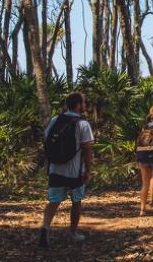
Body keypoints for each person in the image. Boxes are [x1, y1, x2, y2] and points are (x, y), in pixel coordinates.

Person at [38, 92, 94, 248]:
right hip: (74, 171)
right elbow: (87, 150)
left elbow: (47, 142)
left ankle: (45, 228)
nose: (84, 105)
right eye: (83, 103)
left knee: (54, 201)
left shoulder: (56, 120)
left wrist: (49, 165)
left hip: (55, 169)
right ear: (78, 105)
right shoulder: (83, 124)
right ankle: (73, 233)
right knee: (76, 201)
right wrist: (88, 170)